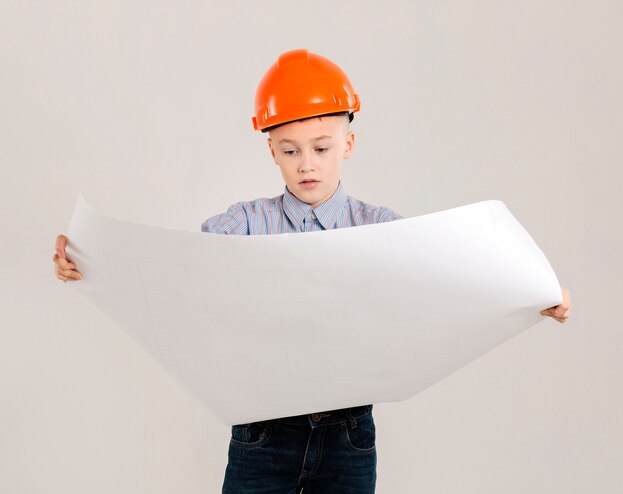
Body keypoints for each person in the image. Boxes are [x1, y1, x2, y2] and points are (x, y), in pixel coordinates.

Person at [52, 49, 572, 493]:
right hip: (261, 435)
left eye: (321, 148)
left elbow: (451, 281)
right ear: (271, 151)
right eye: (289, 150)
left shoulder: (383, 230)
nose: (307, 164)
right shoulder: (241, 225)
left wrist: (532, 294)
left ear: (347, 144)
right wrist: (90, 264)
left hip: (348, 438)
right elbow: (179, 283)